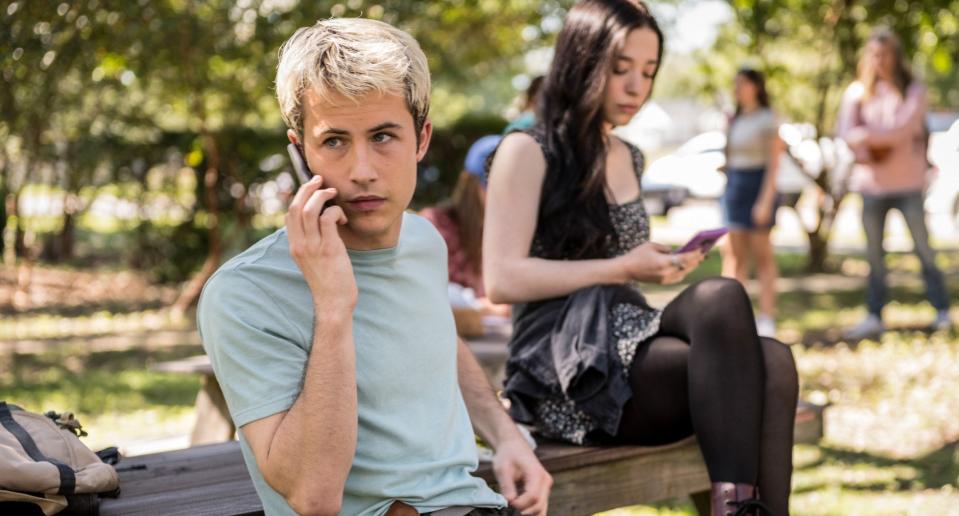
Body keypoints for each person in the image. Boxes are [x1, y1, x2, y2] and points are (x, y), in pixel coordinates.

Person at [197, 18, 550, 516]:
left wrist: (506, 436)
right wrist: (334, 306)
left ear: (421, 139)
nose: (362, 170)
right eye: (335, 141)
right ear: (301, 153)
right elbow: (313, 496)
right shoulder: (243, 294)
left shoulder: (424, 239)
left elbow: (434, 336)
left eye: (383, 136)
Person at [483, 1, 799, 514]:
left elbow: (624, 266)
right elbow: (501, 279)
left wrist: (657, 264)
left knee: (751, 331)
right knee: (765, 356)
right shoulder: (528, 148)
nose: (637, 87)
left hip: (629, 335)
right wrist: (625, 266)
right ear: (582, 61)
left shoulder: (627, 153)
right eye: (621, 68)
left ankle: (738, 508)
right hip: (565, 369)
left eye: (648, 72)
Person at [837, 27, 951, 339]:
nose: (879, 60)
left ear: (896, 56)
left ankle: (942, 309)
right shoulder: (857, 93)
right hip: (871, 186)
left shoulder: (912, 89)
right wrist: (868, 142)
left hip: (908, 184)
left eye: (885, 54)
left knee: (924, 249)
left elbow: (902, 129)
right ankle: (874, 314)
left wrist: (867, 136)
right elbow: (846, 132)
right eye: (874, 54)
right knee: (874, 256)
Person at [720, 68, 784, 338]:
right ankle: (729, 317)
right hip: (735, 185)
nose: (738, 89)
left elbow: (774, 164)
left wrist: (765, 201)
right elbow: (729, 158)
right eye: (735, 84)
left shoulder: (768, 119)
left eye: (743, 84)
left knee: (762, 256)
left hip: (758, 185)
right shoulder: (735, 120)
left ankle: (766, 317)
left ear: (756, 86)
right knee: (733, 256)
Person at [421, 135, 504, 315]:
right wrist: (481, 307)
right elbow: (422, 294)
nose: (508, 198)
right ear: (471, 185)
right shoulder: (436, 225)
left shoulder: (511, 232)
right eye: (496, 186)